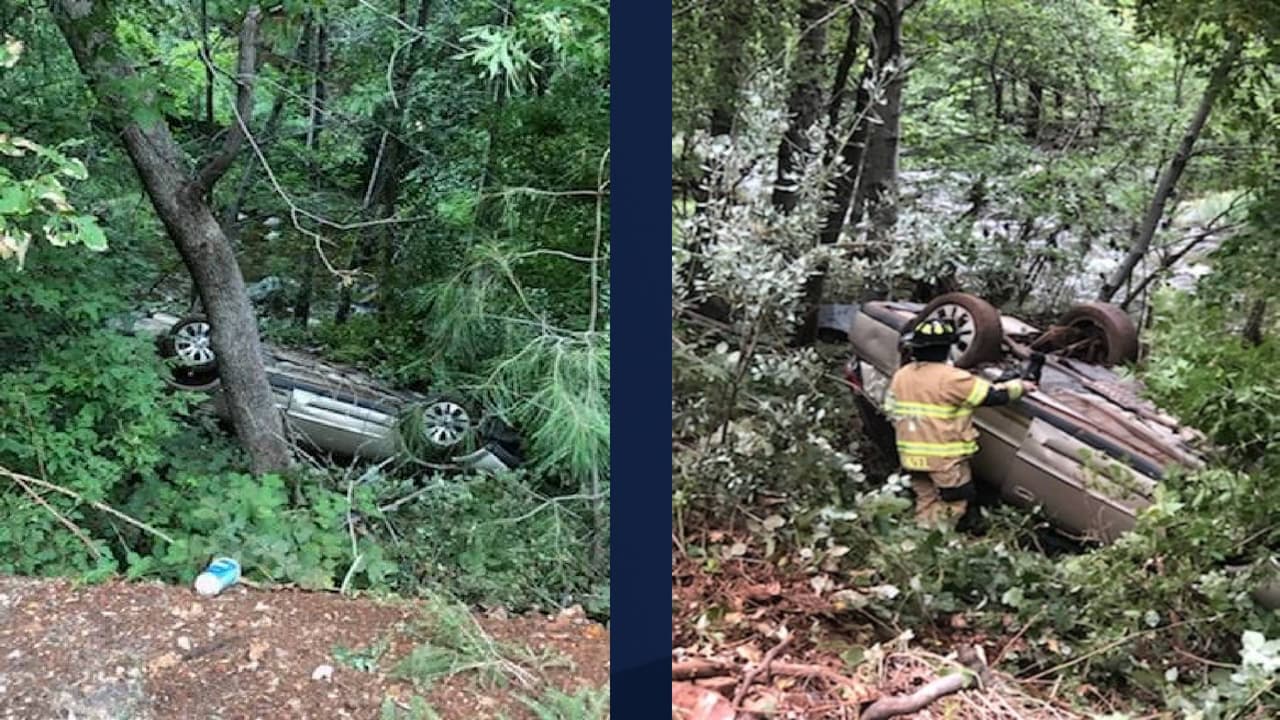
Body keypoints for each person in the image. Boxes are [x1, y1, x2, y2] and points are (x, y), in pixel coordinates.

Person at [885, 317, 1036, 528]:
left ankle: (917, 544)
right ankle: (935, 548)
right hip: (944, 460)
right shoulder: (952, 378)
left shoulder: (902, 375)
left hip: (912, 457)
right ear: (947, 347)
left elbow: (890, 409)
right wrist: (1021, 386)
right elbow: (991, 396)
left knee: (926, 500)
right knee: (953, 504)